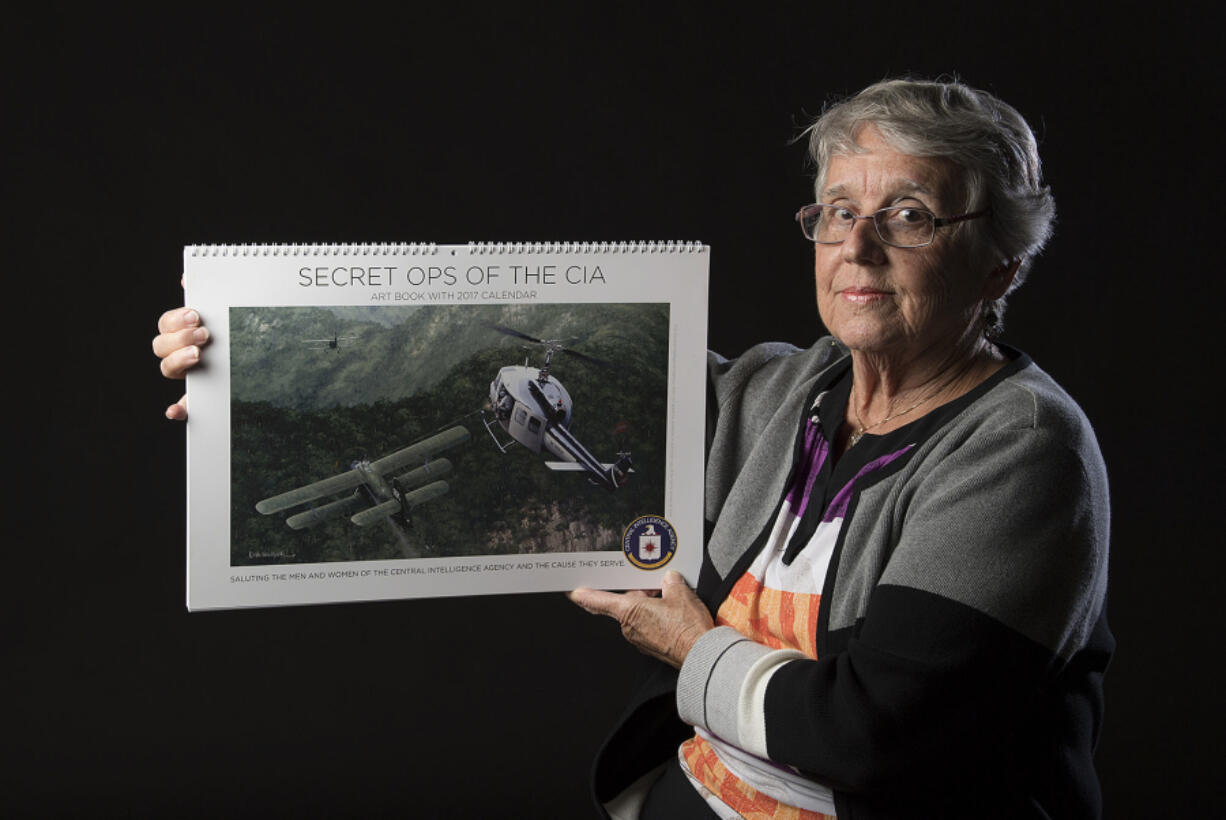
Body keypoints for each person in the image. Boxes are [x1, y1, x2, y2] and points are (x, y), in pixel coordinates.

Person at [154, 78, 1112, 819]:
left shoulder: (1021, 451)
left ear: (1001, 263)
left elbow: (873, 740)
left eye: (908, 215)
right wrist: (238, 382)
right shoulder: (787, 388)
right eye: (835, 210)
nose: (857, 245)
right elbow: (453, 357)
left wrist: (695, 652)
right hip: (693, 794)